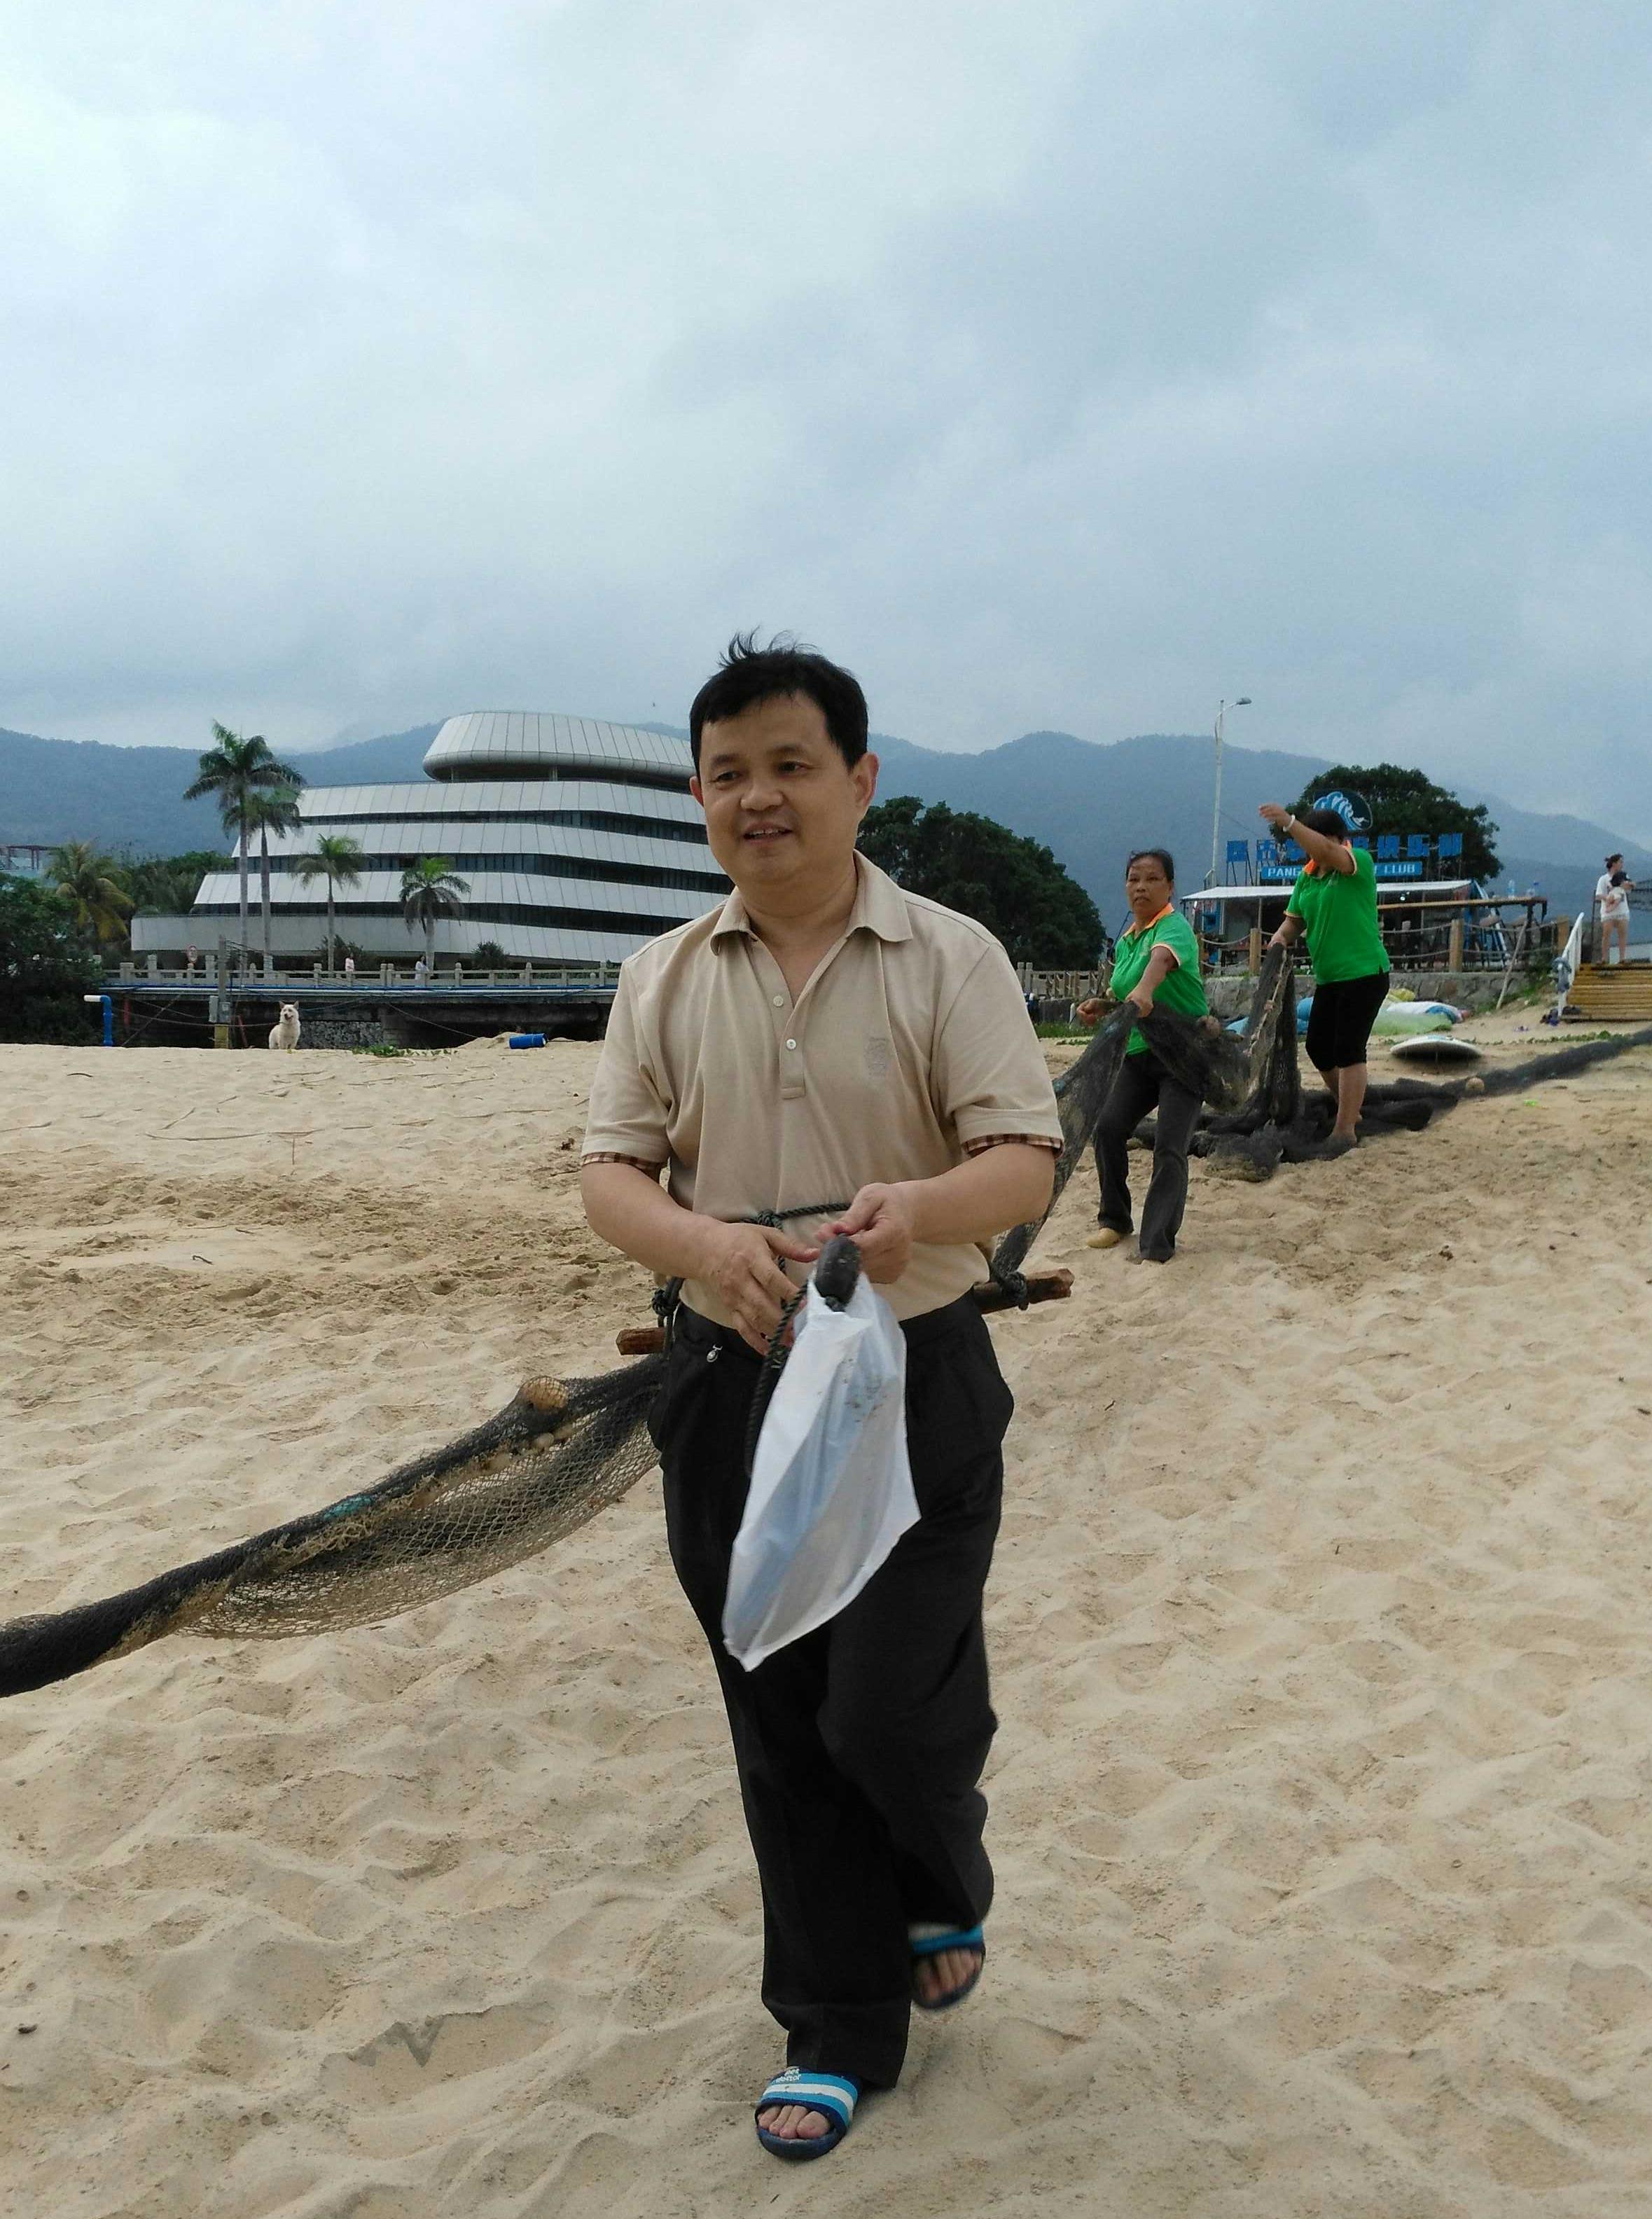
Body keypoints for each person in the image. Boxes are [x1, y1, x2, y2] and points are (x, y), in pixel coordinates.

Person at [579, 635, 1062, 2164]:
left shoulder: (953, 956)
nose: (757, 799)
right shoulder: (660, 974)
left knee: (889, 1708)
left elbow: (1023, 1160)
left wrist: (917, 1210)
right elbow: (609, 1177)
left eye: (790, 766)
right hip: (728, 1384)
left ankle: (942, 1870)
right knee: (781, 1714)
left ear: (858, 780)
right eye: (728, 774)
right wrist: (707, 1248)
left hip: (913, 1376)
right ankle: (838, 2024)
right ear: (700, 797)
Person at [1074, 848, 1209, 1262]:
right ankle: (1115, 1219)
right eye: (1134, 879)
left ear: (1169, 886)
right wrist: (1104, 1003)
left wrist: (1145, 992)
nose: (1141, 887)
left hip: (1183, 1056)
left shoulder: (1174, 928)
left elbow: (1160, 963)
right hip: (1138, 1054)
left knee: (1170, 1147)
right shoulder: (1130, 938)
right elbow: (1126, 989)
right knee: (1109, 1128)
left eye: (1152, 879)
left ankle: (1156, 1244)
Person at [1261, 801, 1390, 1149]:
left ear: (1336, 838)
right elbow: (1294, 921)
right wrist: (1278, 939)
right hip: (1330, 978)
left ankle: (1345, 1128)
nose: (1310, 848)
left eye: (1316, 840)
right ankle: (1351, 1105)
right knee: (1319, 1047)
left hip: (1365, 973)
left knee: (1349, 1048)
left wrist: (1290, 823)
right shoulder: (1308, 877)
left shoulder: (1356, 862)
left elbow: (1327, 851)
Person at [1595, 853, 1631, 967]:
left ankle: (1622, 958)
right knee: (1606, 934)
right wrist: (1608, 899)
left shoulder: (1624, 876)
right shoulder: (1604, 879)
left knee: (1622, 934)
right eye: (1620, 862)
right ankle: (1604, 958)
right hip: (1609, 912)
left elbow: (1630, 888)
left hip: (1622, 911)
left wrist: (1628, 886)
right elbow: (1599, 894)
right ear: (1614, 864)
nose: (1622, 864)